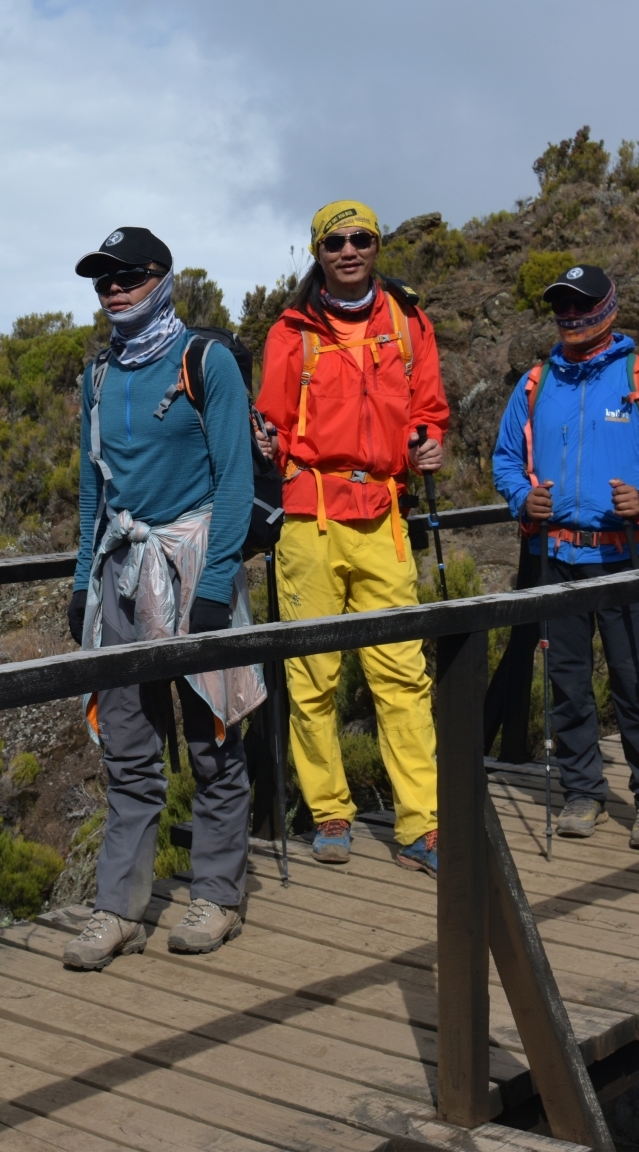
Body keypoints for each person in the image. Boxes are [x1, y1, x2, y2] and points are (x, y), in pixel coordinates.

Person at [61, 226, 265, 971]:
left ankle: (217, 892)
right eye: (102, 280)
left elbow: (235, 479)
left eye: (128, 276)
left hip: (193, 568)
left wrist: (215, 587)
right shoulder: (98, 377)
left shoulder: (205, 362)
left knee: (212, 739)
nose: (114, 289)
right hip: (122, 575)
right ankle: (118, 907)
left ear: (162, 279)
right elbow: (94, 488)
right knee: (129, 747)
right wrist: (83, 579)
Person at [254, 200, 449, 875]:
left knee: (402, 675)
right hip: (310, 520)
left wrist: (430, 442)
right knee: (312, 678)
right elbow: (270, 428)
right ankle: (329, 812)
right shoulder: (290, 332)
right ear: (318, 251)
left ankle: (420, 823)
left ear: (376, 245)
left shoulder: (407, 319)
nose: (348, 250)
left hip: (384, 516)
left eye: (360, 238)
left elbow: (428, 406)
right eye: (334, 241)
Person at [491, 264, 639, 851]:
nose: (571, 315)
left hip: (624, 555)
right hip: (555, 553)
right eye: (562, 305)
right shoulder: (534, 383)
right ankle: (583, 791)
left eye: (582, 304)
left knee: (637, 682)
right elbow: (506, 459)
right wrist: (520, 496)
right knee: (567, 683)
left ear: (608, 306)